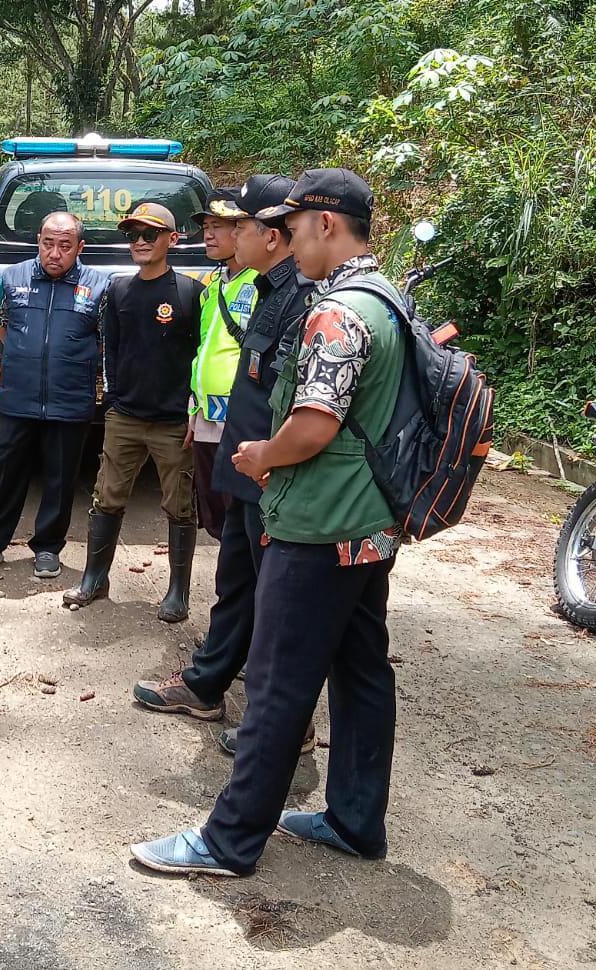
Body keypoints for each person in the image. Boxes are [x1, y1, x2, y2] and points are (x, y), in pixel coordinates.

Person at [131, 168, 405, 877]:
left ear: (326, 225)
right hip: (369, 522)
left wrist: (261, 455)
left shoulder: (338, 311)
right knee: (361, 669)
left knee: (280, 681)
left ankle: (228, 841)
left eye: (296, 224)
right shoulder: (388, 298)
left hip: (318, 525)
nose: (288, 237)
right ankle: (354, 819)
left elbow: (312, 427)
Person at [132, 176, 315, 740]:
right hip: (244, 467)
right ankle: (207, 686)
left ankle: (286, 724)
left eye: (240, 225)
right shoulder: (261, 289)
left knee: (277, 601)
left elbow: (299, 403)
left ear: (271, 235)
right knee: (236, 584)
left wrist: (268, 459)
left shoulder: (300, 299)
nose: (230, 234)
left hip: (271, 477)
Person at [62, 202, 203, 623]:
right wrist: (113, 399)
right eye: (133, 235)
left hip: (174, 421)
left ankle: (178, 591)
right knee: (106, 497)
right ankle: (94, 578)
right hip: (124, 417)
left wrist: (193, 407)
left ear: (172, 240)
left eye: (150, 234)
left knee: (180, 505)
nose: (140, 242)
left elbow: (200, 354)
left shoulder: (191, 293)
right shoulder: (119, 289)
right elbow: (113, 348)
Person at [0, 212, 110, 579]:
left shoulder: (101, 286)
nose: (54, 253)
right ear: (38, 241)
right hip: (19, 396)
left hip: (70, 398)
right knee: (6, 473)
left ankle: (47, 548)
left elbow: (105, 339)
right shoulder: (13, 277)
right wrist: (28, 357)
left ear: (80, 248)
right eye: (47, 243)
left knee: (60, 478)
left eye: (65, 245)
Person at [187, 187, 259, 540]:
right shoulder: (213, 283)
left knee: (242, 518)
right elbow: (204, 349)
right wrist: (193, 409)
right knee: (215, 517)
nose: (209, 234)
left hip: (240, 421)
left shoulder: (261, 284)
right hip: (206, 417)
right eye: (206, 226)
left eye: (220, 226)